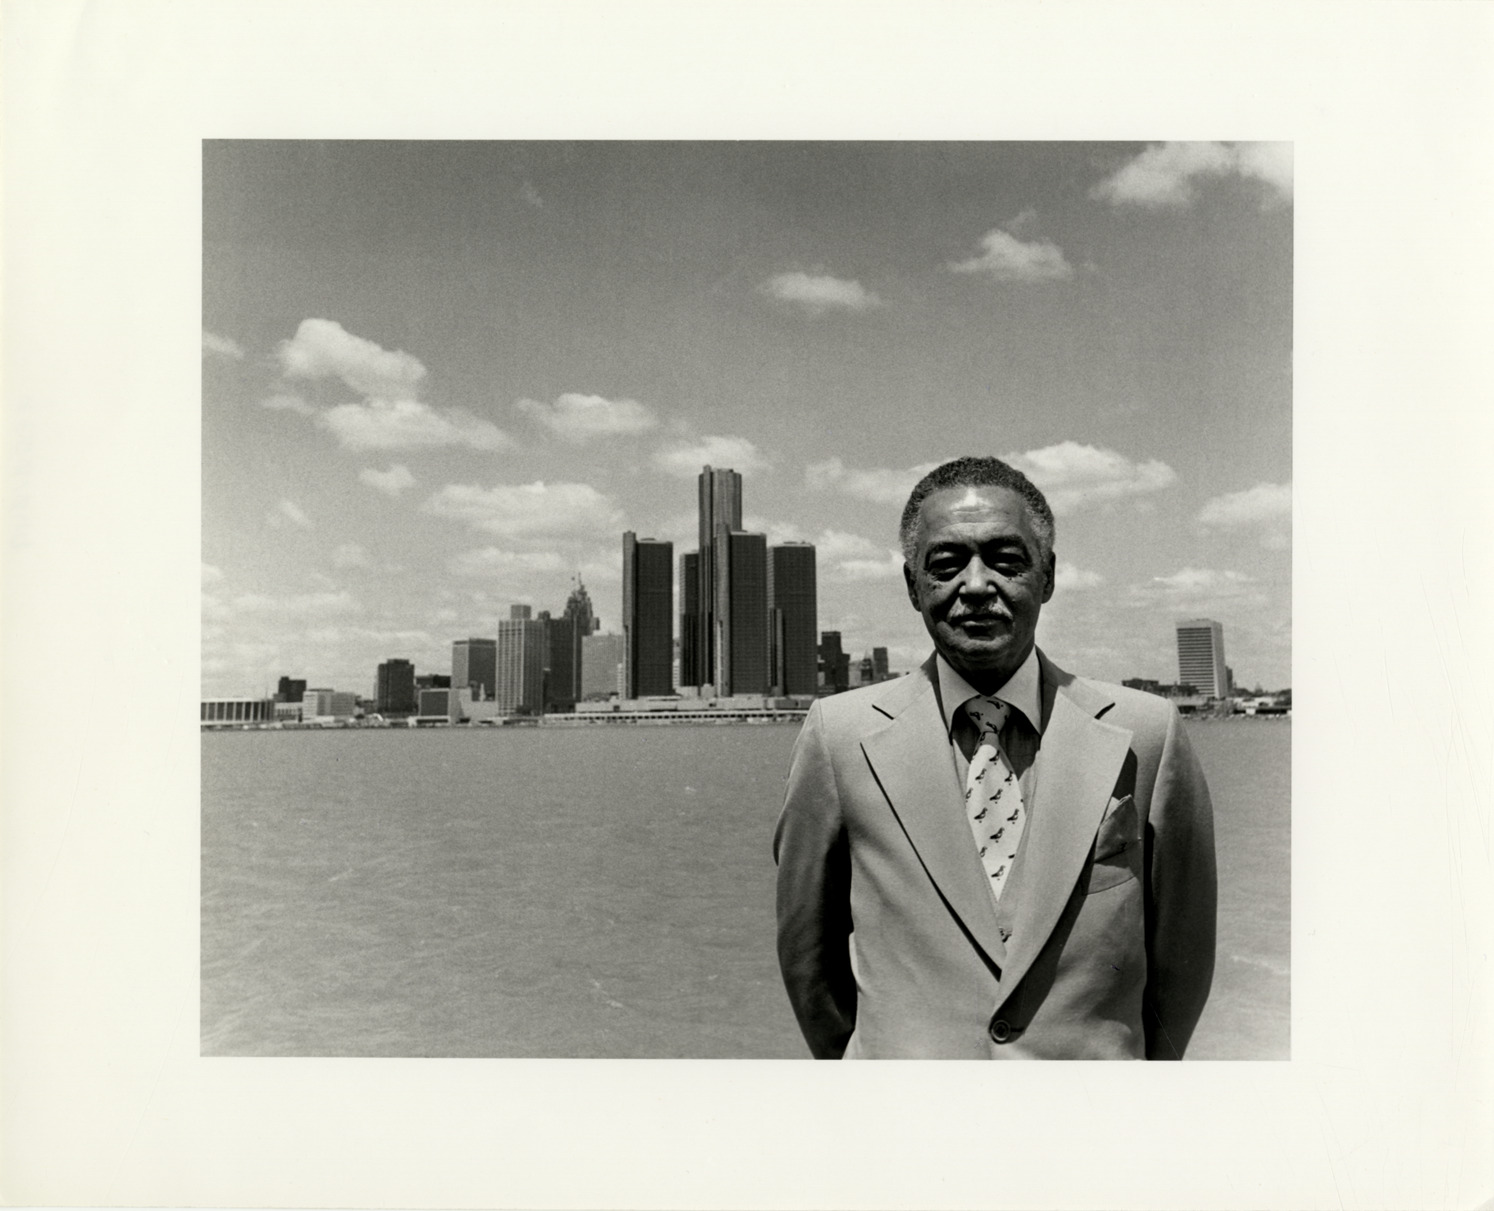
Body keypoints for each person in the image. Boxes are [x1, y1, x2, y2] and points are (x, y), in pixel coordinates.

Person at [773, 456, 1217, 1059]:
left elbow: (1182, 960)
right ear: (913, 586)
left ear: (1048, 576)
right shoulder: (838, 738)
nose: (977, 585)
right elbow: (808, 960)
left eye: (1006, 560)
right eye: (946, 565)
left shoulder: (1148, 736)